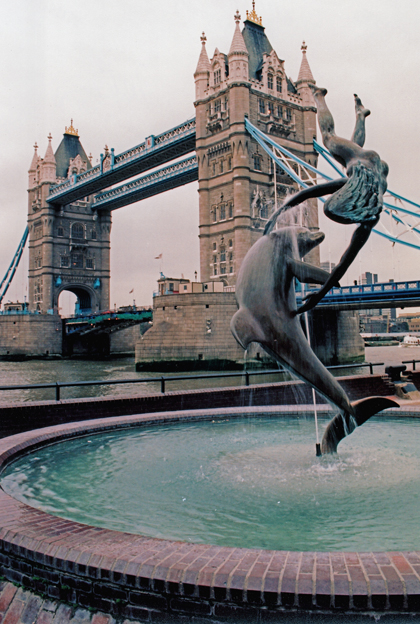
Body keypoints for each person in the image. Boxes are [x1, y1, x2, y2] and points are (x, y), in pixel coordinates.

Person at [295, 88, 389, 314]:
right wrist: (291, 202)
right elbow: (313, 191)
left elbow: (342, 264)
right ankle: (319, 96)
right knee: (328, 138)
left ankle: (360, 115)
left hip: (371, 167)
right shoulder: (368, 216)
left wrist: (319, 295)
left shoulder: (369, 216)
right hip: (369, 167)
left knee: (349, 153)